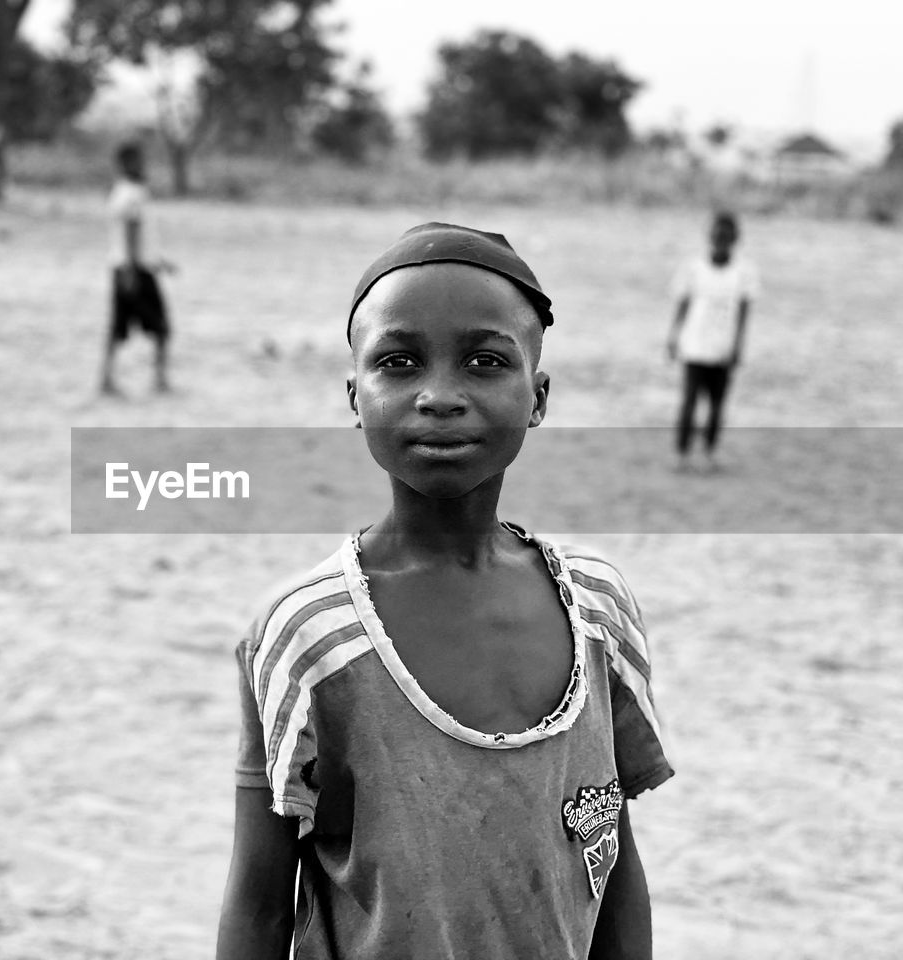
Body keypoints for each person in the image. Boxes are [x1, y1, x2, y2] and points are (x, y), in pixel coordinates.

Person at [217, 224, 674, 960]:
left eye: (486, 362)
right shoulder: (306, 633)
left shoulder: (597, 608)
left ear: (538, 396)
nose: (438, 396)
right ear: (354, 396)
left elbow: (610, 860)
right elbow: (258, 906)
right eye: (398, 363)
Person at [666, 211, 758, 470]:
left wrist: (738, 345)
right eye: (717, 236)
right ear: (710, 237)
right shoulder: (694, 267)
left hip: (723, 348)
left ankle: (709, 452)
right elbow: (682, 303)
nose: (721, 241)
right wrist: (674, 336)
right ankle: (682, 453)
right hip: (694, 346)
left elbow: (743, 312)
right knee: (689, 401)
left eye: (726, 237)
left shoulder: (744, 271)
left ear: (734, 239)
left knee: (717, 404)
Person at [100, 141, 174, 395]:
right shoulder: (132, 193)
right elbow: (131, 231)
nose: (143, 165)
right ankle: (160, 379)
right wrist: (133, 269)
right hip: (136, 271)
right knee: (161, 326)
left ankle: (106, 378)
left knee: (117, 328)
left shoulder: (121, 192)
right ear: (125, 164)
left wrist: (160, 261)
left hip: (125, 267)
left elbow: (139, 234)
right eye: (138, 161)